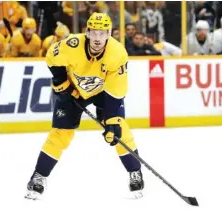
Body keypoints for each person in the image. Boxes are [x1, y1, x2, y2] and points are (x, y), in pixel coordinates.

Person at [25, 12, 144, 200]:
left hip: (104, 92)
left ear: (109, 34)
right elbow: (51, 56)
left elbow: (116, 91)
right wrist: (60, 80)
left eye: (102, 33)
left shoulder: (118, 53)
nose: (98, 38)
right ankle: (38, 176)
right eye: (94, 33)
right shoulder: (72, 44)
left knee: (119, 128)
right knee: (60, 133)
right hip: (73, 91)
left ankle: (135, 171)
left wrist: (111, 119)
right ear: (87, 32)